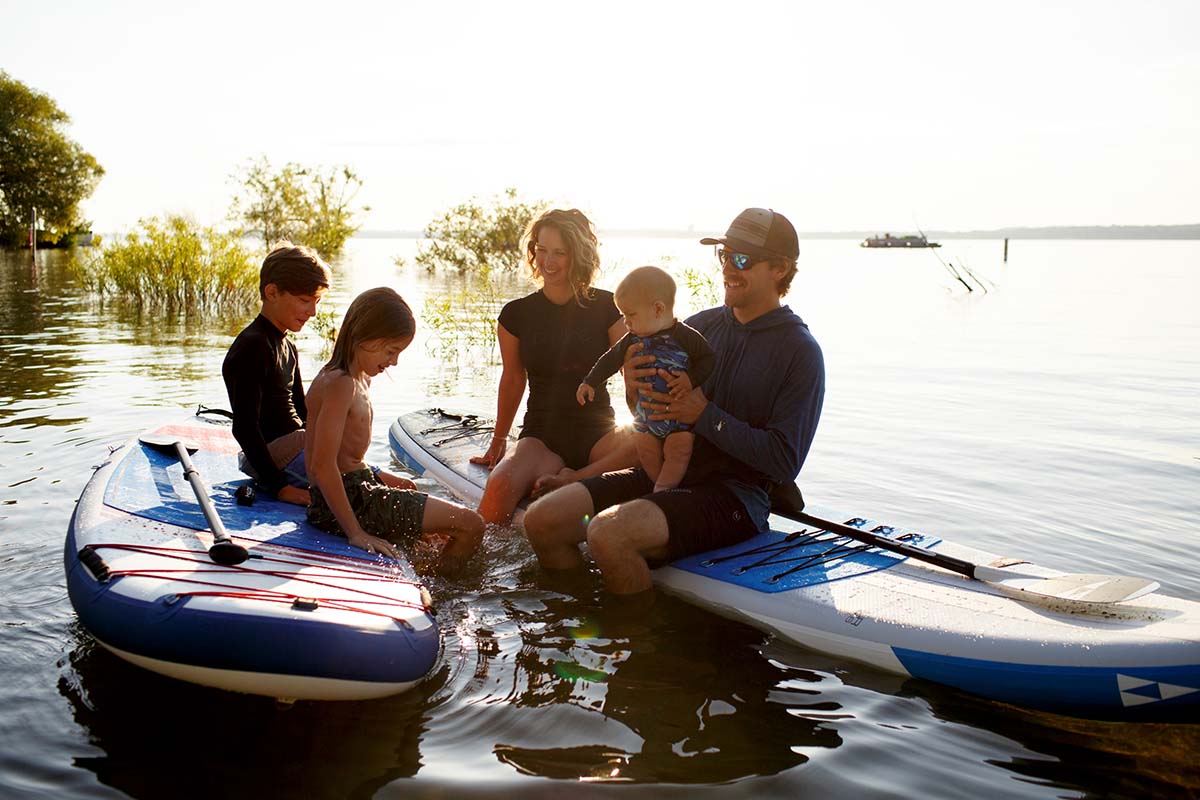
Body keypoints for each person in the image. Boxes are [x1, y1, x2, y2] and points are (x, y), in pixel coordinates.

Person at [523, 208, 825, 596]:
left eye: (742, 259)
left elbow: (784, 462)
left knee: (608, 534)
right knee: (542, 521)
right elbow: (651, 417)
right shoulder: (698, 327)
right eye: (724, 255)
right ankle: (581, 618)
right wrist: (634, 391)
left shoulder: (800, 352)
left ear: (780, 269)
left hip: (733, 496)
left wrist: (705, 416)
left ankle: (638, 640)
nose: (728, 268)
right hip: (665, 473)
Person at [470, 208, 636, 524]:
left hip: (599, 435)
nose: (548, 261)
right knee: (500, 486)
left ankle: (574, 478)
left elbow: (632, 372)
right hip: (542, 437)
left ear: (579, 255)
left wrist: (646, 425)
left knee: (647, 447)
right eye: (542, 250)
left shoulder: (608, 308)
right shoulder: (516, 314)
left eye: (559, 252)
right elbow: (513, 378)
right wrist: (498, 441)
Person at [305, 287, 484, 575]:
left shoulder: (358, 377)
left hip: (358, 486)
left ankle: (421, 567)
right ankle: (445, 587)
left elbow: (346, 455)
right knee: (472, 524)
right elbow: (322, 466)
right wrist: (355, 533)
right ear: (365, 336)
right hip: (349, 502)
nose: (395, 361)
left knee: (408, 486)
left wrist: (380, 476)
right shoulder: (340, 384)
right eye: (392, 351)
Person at [576, 266, 714, 493]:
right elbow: (610, 360)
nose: (626, 323)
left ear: (658, 308)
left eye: (631, 315)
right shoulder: (631, 339)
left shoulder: (685, 336)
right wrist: (590, 381)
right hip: (645, 418)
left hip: (678, 420)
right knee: (645, 449)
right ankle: (658, 486)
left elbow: (708, 359)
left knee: (679, 449)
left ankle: (663, 490)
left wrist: (690, 379)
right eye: (623, 316)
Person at [222, 243, 330, 507]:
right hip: (272, 457)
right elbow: (244, 427)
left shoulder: (288, 346)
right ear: (272, 292)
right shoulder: (253, 345)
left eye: (316, 303)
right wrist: (280, 488)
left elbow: (304, 412)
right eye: (305, 301)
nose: (313, 312)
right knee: (361, 494)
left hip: (298, 446)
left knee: (373, 476)